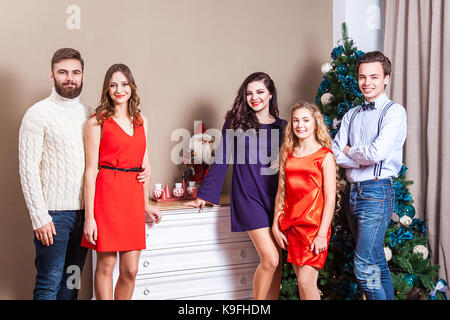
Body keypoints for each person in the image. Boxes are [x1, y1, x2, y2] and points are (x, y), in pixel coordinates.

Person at [186, 72, 287, 300]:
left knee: (277, 263)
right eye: (249, 93)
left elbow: (293, 164)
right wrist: (205, 193)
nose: (254, 97)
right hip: (248, 197)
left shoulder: (284, 127)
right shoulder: (237, 122)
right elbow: (222, 158)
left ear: (270, 94)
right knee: (270, 258)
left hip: (276, 198)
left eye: (260, 92)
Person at [80, 64, 161, 300]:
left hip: (132, 198)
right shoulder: (97, 122)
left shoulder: (141, 121)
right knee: (105, 266)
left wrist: (145, 204)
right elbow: (90, 171)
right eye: (113, 85)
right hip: (106, 197)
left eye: (124, 84)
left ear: (132, 87)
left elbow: (145, 167)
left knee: (130, 270)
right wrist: (90, 217)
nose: (119, 89)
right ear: (107, 89)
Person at [332, 51, 407, 300]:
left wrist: (350, 151)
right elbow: (335, 152)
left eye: (374, 77)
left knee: (364, 267)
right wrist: (356, 154)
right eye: (362, 77)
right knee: (375, 261)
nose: (367, 82)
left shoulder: (394, 112)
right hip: (353, 193)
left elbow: (377, 153)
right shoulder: (351, 114)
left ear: (386, 78)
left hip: (377, 192)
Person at [272, 101, 338, 300]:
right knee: (302, 284)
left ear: (315, 123)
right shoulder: (288, 153)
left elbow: (330, 198)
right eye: (296, 121)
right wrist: (275, 225)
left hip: (313, 228)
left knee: (306, 282)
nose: (300, 125)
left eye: (306, 120)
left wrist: (321, 234)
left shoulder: (324, 156)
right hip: (291, 225)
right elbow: (281, 191)